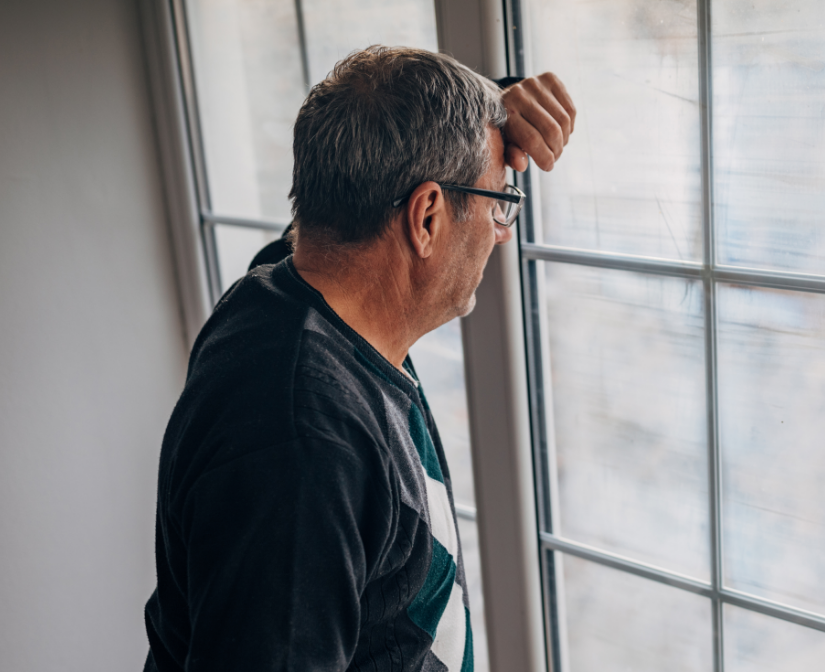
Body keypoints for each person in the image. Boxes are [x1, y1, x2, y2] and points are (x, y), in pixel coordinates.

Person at [142, 46, 574, 672]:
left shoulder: (287, 286)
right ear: (426, 217)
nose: (500, 229)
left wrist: (488, 109)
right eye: (497, 203)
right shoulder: (304, 447)